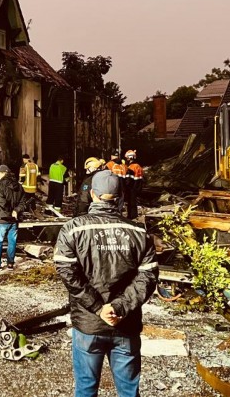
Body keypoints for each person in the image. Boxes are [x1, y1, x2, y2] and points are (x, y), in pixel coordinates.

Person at [54, 170, 158, 397]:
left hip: (89, 325)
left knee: (86, 389)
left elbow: (68, 273)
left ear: (92, 194)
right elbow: (148, 277)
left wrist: (98, 309)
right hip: (125, 324)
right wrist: (118, 307)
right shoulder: (139, 232)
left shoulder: (72, 229)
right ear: (121, 196)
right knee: (129, 392)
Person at [0, 165, 26, 270]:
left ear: (4, 173)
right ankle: (10, 263)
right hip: (14, 219)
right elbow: (23, 202)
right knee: (12, 242)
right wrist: (16, 211)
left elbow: (1, 202)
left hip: (2, 218)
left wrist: (10, 211)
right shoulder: (19, 187)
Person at [123, 150, 144, 220]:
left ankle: (131, 216)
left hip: (131, 188)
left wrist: (125, 187)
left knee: (131, 203)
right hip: (137, 187)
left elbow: (129, 180)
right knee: (133, 203)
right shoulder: (138, 166)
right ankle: (134, 215)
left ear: (129, 158)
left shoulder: (131, 167)